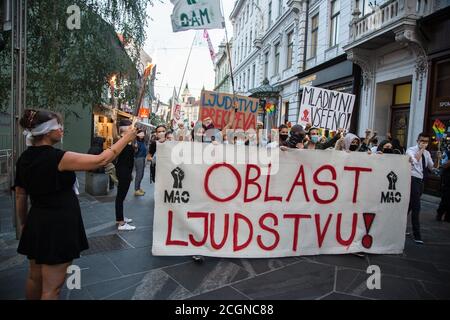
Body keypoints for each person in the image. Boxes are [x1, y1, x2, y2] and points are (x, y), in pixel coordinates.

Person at [13, 109, 136, 299]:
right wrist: (126, 138)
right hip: (58, 225)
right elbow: (102, 160)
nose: (62, 130)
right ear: (46, 132)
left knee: (34, 278)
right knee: (52, 288)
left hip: (36, 221)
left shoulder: (24, 158)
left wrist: (23, 224)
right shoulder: (59, 158)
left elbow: (20, 196)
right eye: (58, 126)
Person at [406, 132, 440, 244]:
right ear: (417, 141)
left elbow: (432, 167)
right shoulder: (410, 150)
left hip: (421, 180)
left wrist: (437, 160)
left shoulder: (427, 153)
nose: (424, 143)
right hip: (412, 179)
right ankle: (417, 234)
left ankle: (400, 227)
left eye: (426, 141)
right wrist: (420, 149)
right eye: (422, 141)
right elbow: (414, 161)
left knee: (410, 205)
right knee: (416, 206)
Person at [115, 119, 138, 231]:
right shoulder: (122, 142)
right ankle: (121, 223)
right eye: (130, 128)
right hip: (123, 172)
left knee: (121, 197)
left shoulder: (126, 141)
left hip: (125, 171)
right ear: (125, 130)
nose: (133, 130)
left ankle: (120, 218)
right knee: (120, 197)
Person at [437, 144, 450, 222]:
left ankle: (447, 217)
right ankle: (440, 214)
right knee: (446, 198)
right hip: (448, 180)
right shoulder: (448, 153)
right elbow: (444, 165)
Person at [133, 130, 147, 196]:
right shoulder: (136, 141)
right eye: (141, 133)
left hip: (142, 158)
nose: (142, 134)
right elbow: (135, 151)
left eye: (143, 133)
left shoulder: (142, 141)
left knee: (141, 174)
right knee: (139, 174)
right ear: (137, 134)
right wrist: (135, 148)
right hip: (138, 158)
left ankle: (138, 188)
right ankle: (136, 190)